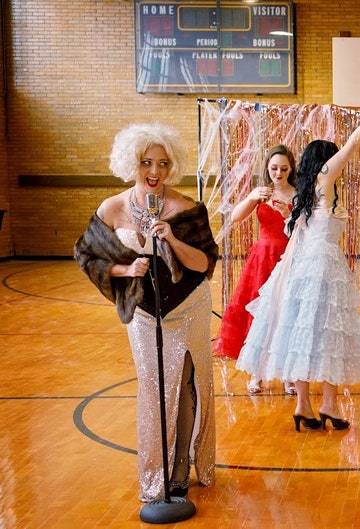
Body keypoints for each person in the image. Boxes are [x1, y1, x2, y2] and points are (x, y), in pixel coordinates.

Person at [74, 123, 218, 502]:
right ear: (131, 163)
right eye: (146, 163)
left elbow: (204, 263)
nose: (154, 172)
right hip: (143, 312)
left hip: (189, 306)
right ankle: (155, 472)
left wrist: (170, 237)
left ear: (172, 167)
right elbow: (85, 254)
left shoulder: (188, 209)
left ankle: (180, 471)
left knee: (187, 384)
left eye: (163, 164)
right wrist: (123, 270)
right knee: (153, 391)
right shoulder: (113, 208)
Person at [236, 95, 360, 431]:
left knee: (303, 333)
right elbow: (352, 144)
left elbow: (297, 231)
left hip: (301, 270)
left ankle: (304, 406)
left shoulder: (306, 193)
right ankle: (329, 405)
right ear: (326, 160)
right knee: (327, 332)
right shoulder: (325, 179)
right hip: (321, 268)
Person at [212, 144, 298, 396]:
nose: (278, 173)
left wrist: (286, 214)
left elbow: (303, 227)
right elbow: (236, 217)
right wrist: (251, 197)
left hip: (288, 258)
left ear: (291, 169)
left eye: (283, 168)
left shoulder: (297, 194)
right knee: (260, 315)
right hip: (262, 260)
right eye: (274, 168)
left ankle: (287, 374)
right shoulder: (261, 193)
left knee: (286, 315)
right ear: (267, 168)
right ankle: (257, 373)